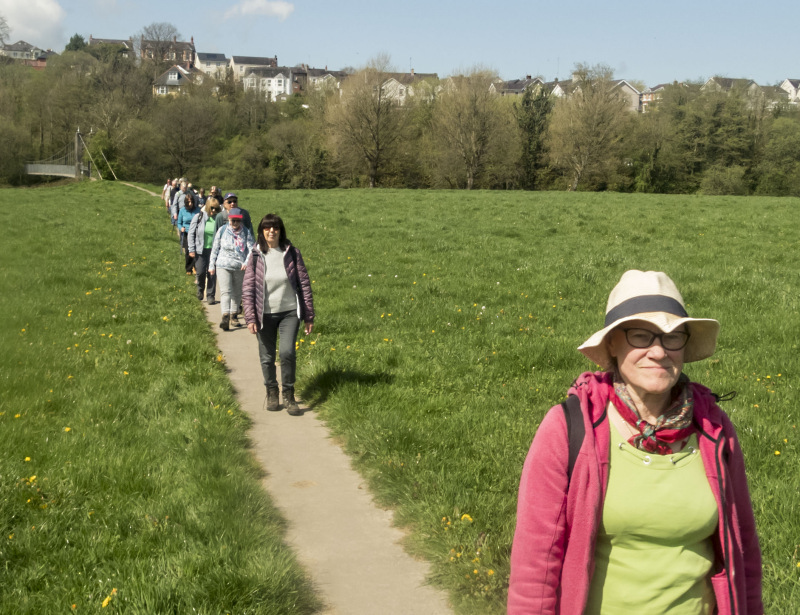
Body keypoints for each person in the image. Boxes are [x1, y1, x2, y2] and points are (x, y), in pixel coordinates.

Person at [508, 270, 762, 615]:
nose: (658, 352)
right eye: (641, 336)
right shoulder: (568, 428)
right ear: (612, 342)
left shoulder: (714, 430)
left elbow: (743, 550)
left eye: (673, 337)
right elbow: (535, 563)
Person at [243, 214, 314, 416]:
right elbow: (248, 288)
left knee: (287, 353)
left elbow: (304, 285)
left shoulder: (291, 253)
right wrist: (250, 318)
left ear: (281, 231)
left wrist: (309, 316)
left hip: (289, 312)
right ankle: (272, 391)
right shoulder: (255, 255)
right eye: (267, 228)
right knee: (266, 357)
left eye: (275, 228)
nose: (271, 231)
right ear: (262, 231)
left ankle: (289, 394)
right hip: (263, 314)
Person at [209, 208, 254, 331]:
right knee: (225, 291)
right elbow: (215, 248)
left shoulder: (245, 232)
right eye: (233, 221)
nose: (235, 223)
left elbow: (251, 249)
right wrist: (211, 265)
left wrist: (246, 262)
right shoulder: (222, 230)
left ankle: (234, 315)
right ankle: (225, 316)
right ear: (229, 219)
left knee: (237, 292)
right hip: (223, 265)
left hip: (240, 266)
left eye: (237, 221)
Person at [188, 198, 221, 304]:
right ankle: (200, 289)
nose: (213, 211)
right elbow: (191, 233)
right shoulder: (198, 217)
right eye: (212, 208)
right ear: (207, 207)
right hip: (200, 250)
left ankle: (211, 295)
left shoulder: (218, 219)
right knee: (201, 272)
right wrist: (191, 249)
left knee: (211, 273)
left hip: (214, 251)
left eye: (216, 209)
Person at [177, 193, 199, 275]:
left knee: (196, 250)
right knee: (188, 250)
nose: (190, 204)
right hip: (186, 233)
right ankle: (188, 268)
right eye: (188, 202)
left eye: (191, 202)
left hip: (196, 232)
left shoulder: (197, 210)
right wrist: (181, 228)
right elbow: (179, 223)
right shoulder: (182, 210)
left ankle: (194, 266)